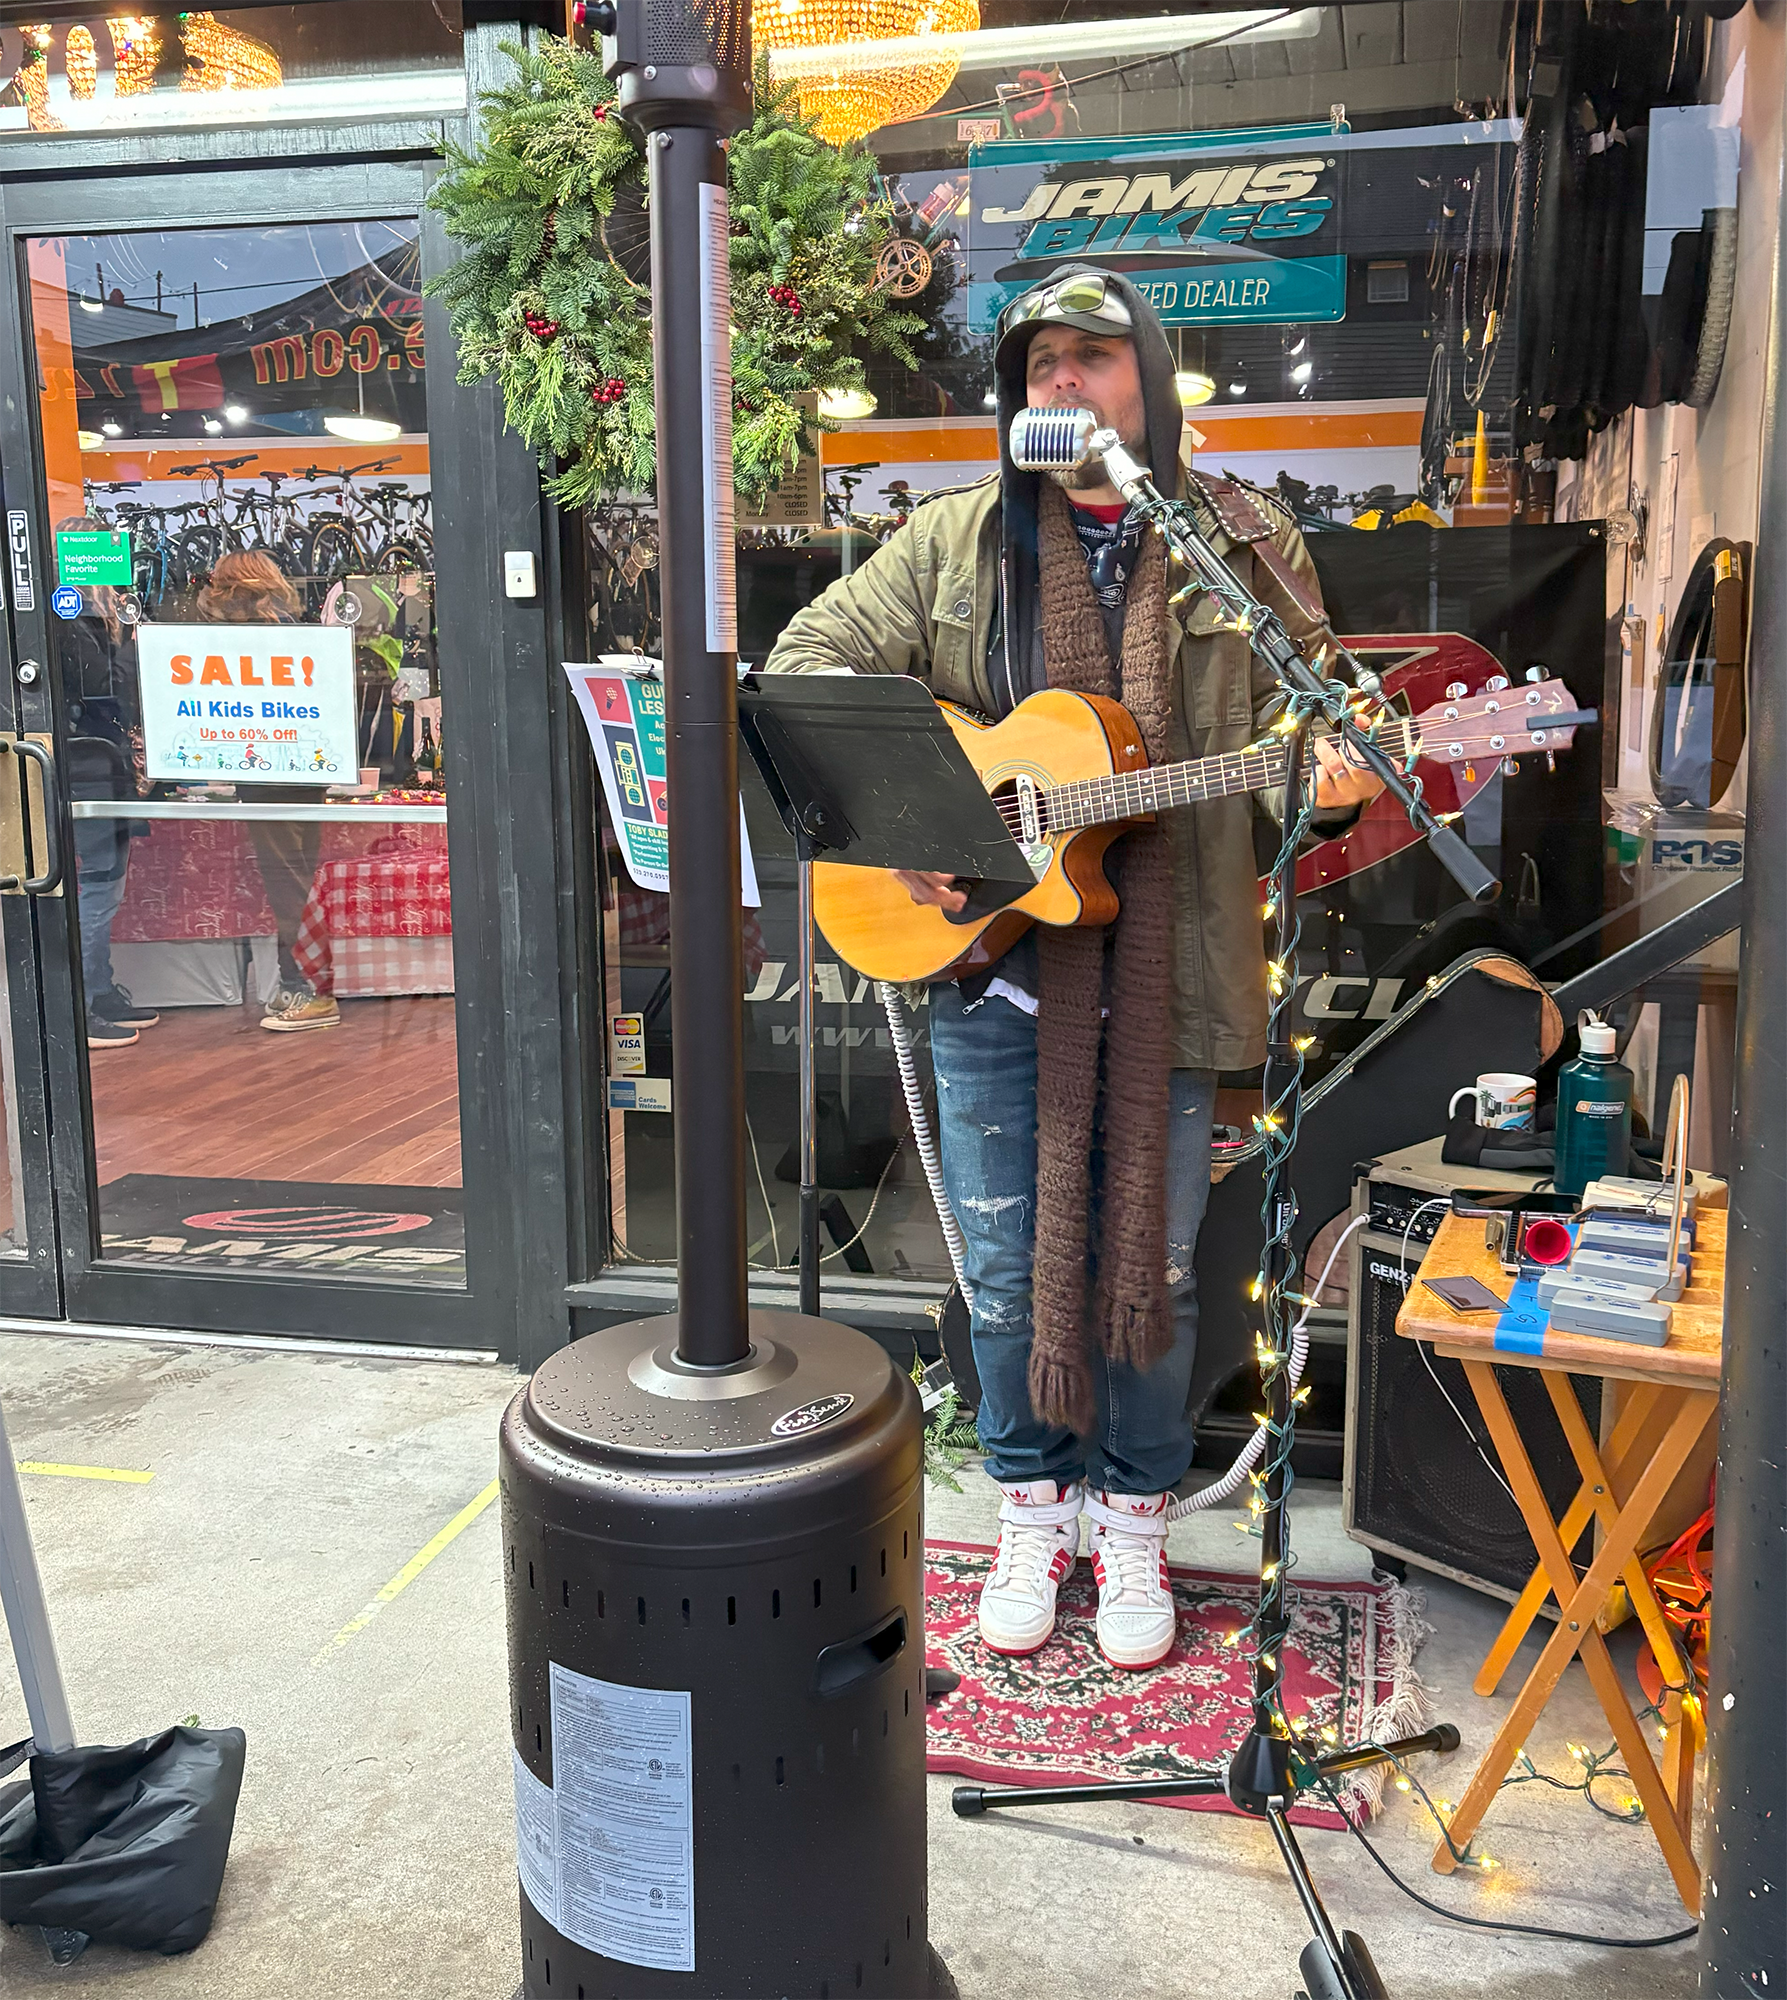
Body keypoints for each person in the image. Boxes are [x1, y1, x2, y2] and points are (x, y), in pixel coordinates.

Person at [767, 265, 1382, 1670]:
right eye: (1038, 361)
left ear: (1145, 382)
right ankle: (1031, 1511)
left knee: (1151, 1278)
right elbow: (810, 669)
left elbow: (1325, 737)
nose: (1059, 381)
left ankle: (1132, 1526)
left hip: (1172, 972)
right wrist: (921, 825)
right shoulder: (955, 540)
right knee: (999, 1272)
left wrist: (1337, 779)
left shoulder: (1241, 542)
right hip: (990, 976)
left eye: (1091, 358)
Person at [195, 553, 339, 1032]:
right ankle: (301, 983)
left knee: (287, 883)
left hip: (270, 776)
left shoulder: (242, 641)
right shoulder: (295, 634)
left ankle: (309, 989)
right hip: (303, 770)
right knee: (295, 877)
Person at [54, 520, 158, 1051]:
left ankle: (100, 991)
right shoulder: (70, 619)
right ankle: (87, 1000)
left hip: (99, 763)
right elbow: (104, 690)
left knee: (105, 883)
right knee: (98, 885)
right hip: (91, 765)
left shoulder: (82, 618)